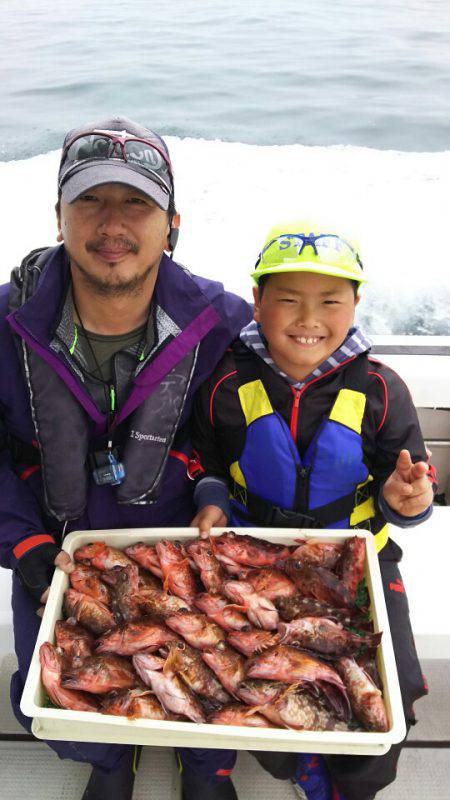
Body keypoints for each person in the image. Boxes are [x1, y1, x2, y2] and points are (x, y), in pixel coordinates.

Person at [0, 115, 252, 800]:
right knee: (56, 705)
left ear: (173, 222)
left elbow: (262, 425)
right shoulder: (4, 327)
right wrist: (19, 540)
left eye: (136, 203)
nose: (113, 224)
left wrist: (396, 480)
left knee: (224, 667)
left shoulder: (221, 324)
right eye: (90, 200)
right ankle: (112, 762)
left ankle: (209, 766)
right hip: (56, 549)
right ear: (58, 217)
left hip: (180, 543)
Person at [189, 221, 434, 800]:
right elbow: (201, 463)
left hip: (358, 559)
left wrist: (408, 503)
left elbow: (410, 487)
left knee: (393, 686)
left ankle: (355, 784)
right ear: (256, 302)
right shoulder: (224, 381)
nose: (308, 319)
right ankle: (289, 761)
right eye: (287, 300)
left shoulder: (381, 388)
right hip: (252, 556)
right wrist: (212, 495)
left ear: (355, 305)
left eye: (330, 301)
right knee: (236, 672)